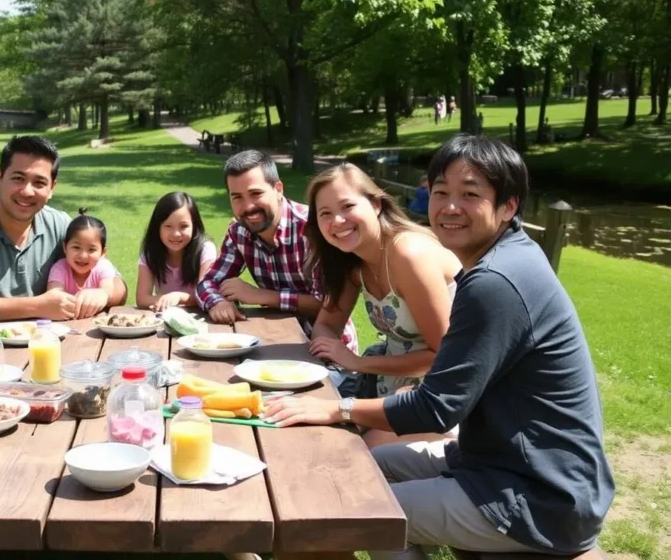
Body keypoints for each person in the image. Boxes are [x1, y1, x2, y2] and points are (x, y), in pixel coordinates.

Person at [265, 135, 614, 559]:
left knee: (355, 509)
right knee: (358, 470)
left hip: (538, 493)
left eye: (470, 195)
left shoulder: (494, 281)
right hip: (493, 460)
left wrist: (339, 408)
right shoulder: (504, 258)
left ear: (509, 205)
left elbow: (437, 407)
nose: (450, 207)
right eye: (440, 193)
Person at [302, 164, 461, 449]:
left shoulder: (408, 254)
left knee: (355, 456)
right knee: (312, 434)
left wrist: (358, 363)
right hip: (391, 391)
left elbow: (444, 357)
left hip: (446, 396)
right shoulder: (353, 262)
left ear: (375, 204)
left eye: (347, 206)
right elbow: (327, 324)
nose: (337, 220)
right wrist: (325, 346)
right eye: (325, 214)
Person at [0, 135, 127, 351]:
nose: (27, 191)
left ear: (52, 188)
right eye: (18, 178)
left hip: (50, 351)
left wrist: (103, 293)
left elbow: (117, 285)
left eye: (39, 183)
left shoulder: (60, 224)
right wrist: (39, 306)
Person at [196, 150, 357, 351]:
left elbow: (329, 304)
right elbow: (207, 283)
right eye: (237, 197)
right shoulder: (239, 232)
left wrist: (262, 296)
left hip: (331, 350)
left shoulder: (313, 229)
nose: (248, 206)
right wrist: (217, 303)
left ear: (278, 188)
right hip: (273, 340)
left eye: (256, 194)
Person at [136, 191, 217, 311]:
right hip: (166, 318)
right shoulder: (150, 253)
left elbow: (206, 295)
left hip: (204, 318)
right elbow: (142, 299)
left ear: (194, 226)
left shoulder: (206, 250)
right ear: (157, 227)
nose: (176, 234)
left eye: (184, 226)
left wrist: (180, 297)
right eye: (168, 226)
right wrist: (167, 300)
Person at [46, 208, 123, 318]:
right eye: (76, 247)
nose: (83, 256)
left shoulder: (103, 267)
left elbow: (108, 290)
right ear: (65, 247)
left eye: (91, 250)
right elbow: (54, 297)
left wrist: (102, 294)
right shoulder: (59, 268)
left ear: (103, 252)